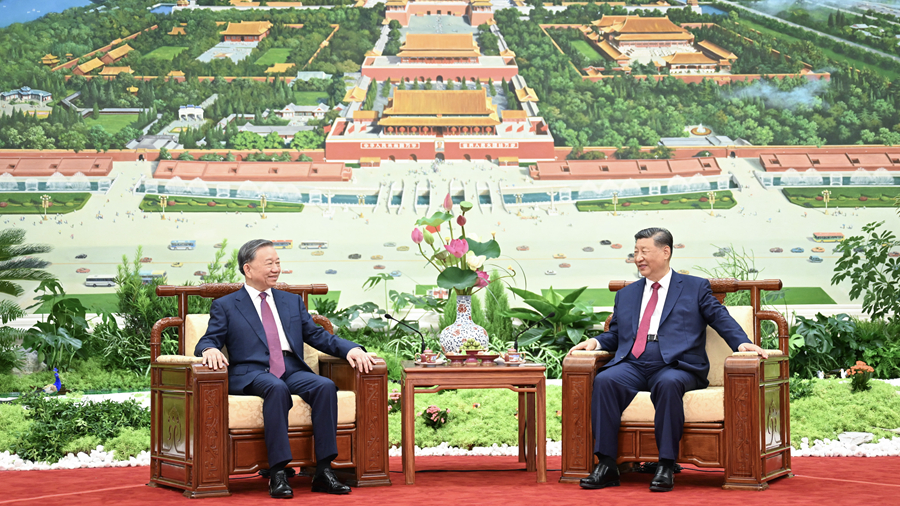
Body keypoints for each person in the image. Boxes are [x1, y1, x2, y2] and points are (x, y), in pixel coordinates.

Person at [569, 227, 767, 493]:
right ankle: (606, 465)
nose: (638, 257)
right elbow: (616, 334)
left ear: (666, 252)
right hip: (635, 362)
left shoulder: (695, 287)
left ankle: (665, 464)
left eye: (644, 251)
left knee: (668, 384)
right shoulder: (626, 294)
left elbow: (719, 317)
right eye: (635, 251)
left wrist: (741, 342)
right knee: (605, 380)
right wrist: (595, 342)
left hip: (678, 365)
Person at [195, 239, 374, 499]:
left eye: (278, 262)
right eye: (269, 263)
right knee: (276, 388)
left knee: (324, 386)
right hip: (252, 372)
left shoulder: (290, 302)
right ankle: (278, 472)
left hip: (290, 367)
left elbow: (317, 336)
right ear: (248, 269)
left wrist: (350, 349)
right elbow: (209, 339)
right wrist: (208, 350)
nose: (276, 268)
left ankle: (323, 470)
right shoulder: (227, 305)